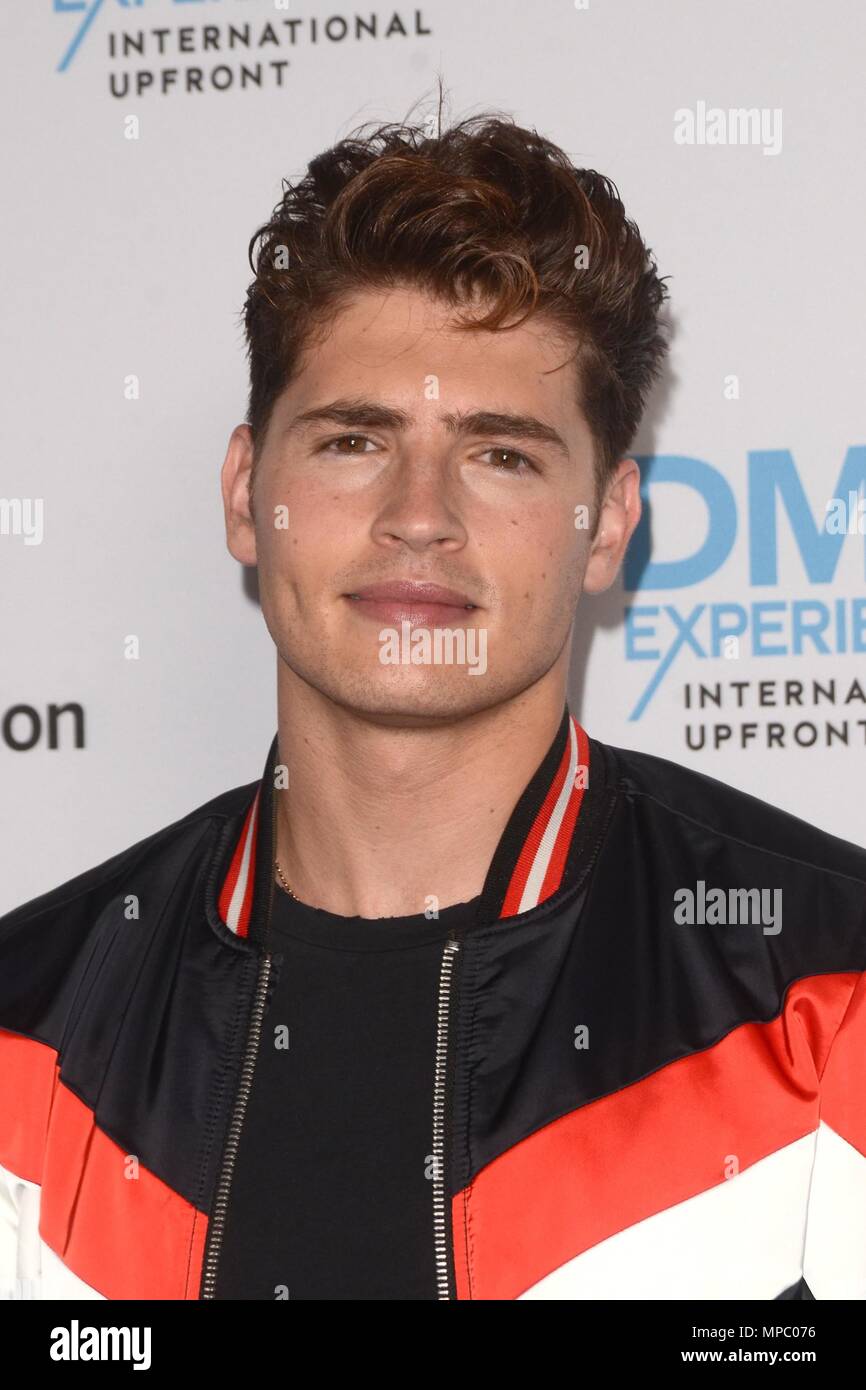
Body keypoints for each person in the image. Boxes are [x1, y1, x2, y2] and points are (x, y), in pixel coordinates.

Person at [1, 104, 864, 1302]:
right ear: (250, 495)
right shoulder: (27, 1032)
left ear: (606, 522)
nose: (420, 512)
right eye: (355, 440)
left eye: (500, 452)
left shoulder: (828, 999)